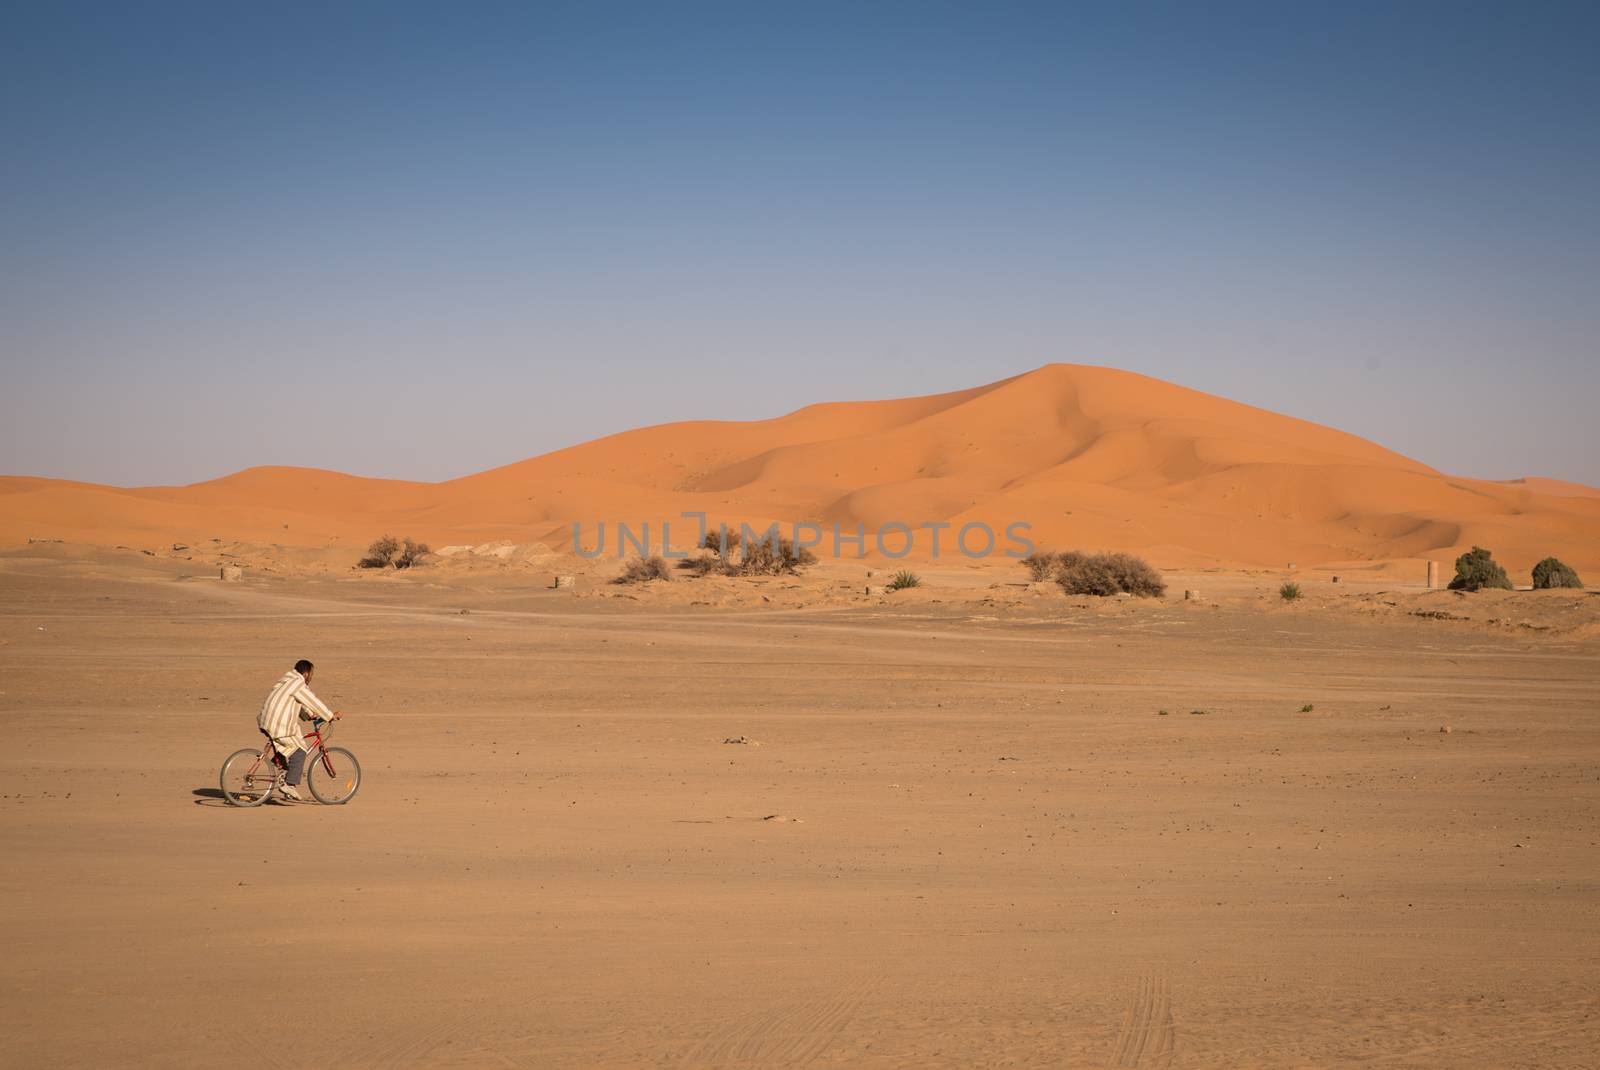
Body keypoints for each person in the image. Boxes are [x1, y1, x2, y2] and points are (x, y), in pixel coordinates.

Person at [258, 659, 341, 802]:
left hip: (266, 719)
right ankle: (289, 784)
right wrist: (329, 715)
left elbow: (298, 702)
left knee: (294, 739)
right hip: (277, 724)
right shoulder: (298, 683)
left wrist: (309, 715)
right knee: (300, 750)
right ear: (306, 673)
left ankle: (280, 770)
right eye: (311, 674)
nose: (311, 678)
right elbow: (312, 700)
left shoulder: (287, 680)